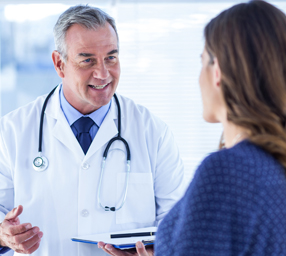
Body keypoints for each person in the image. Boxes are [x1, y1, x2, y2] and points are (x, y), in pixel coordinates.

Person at [99, 1, 286, 256]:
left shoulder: (225, 173)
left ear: (218, 71)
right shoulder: (285, 165)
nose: (198, 76)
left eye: (203, 62)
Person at [0, 5, 185, 256]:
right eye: (87, 60)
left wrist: (158, 252)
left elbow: (176, 223)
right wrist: (3, 235)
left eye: (111, 57)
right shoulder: (11, 131)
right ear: (59, 64)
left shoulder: (153, 132)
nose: (103, 73)